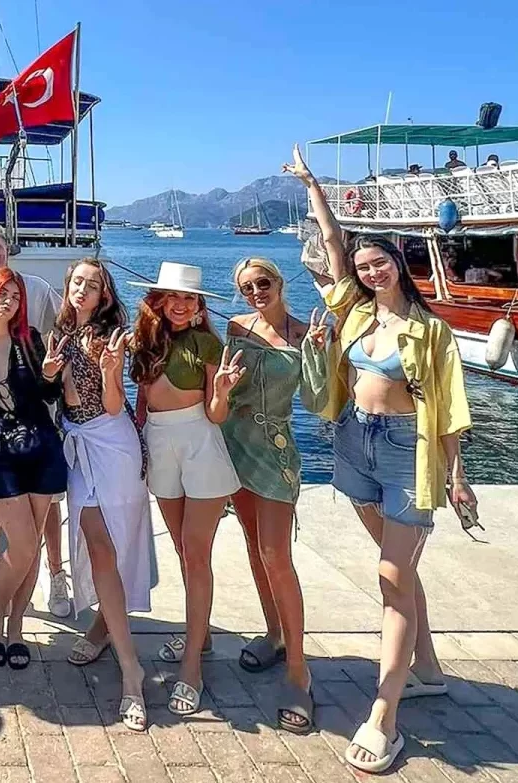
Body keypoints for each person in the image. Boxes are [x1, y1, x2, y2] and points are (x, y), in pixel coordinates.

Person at [287, 144, 476, 773]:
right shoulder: (355, 311)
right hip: (354, 444)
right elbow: (331, 242)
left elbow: (449, 409)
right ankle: (427, 670)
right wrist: (311, 185)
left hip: (405, 453)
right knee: (399, 570)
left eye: (380, 263)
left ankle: (383, 716)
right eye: (364, 266)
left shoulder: (431, 330)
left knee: (392, 576)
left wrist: (458, 476)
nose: (371, 272)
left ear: (399, 264)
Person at [128, 261, 245, 718]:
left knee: (196, 553)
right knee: (181, 547)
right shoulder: (145, 340)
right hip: (159, 442)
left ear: (198, 306)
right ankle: (203, 634)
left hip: (200, 442)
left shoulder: (208, 343)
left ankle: (192, 665)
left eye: (189, 298)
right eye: (173, 296)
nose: (181, 304)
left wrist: (223, 390)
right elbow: (142, 401)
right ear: (159, 300)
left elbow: (216, 414)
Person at [219, 257, 329, 734]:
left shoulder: (304, 334)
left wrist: (319, 354)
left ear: (279, 282)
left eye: (262, 282)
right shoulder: (237, 327)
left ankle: (299, 673)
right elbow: (225, 390)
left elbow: (318, 404)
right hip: (234, 446)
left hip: (275, 451)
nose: (255, 292)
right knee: (253, 547)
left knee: (276, 555)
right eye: (246, 287)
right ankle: (274, 634)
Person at [57, 258, 156, 733]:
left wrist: (112, 372)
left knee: (113, 547)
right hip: (77, 446)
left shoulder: (107, 337)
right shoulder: (61, 333)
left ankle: (131, 670)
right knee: (98, 547)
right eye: (77, 282)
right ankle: (105, 628)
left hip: (112, 443)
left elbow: (115, 406)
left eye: (92, 285)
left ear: (104, 296)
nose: (82, 289)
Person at [0, 220, 70, 621]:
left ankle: (55, 573)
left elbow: (65, 325)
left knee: (48, 507)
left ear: (8, 247)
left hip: (37, 418)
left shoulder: (36, 288)